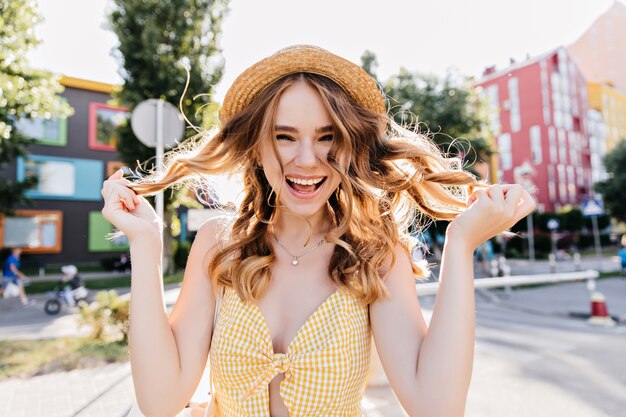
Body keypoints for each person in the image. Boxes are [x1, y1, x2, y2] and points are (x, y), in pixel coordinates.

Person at [101, 45, 535, 417]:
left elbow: (436, 406)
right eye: (285, 137)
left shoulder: (376, 256)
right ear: (255, 145)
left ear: (352, 144)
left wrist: (460, 246)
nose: (307, 160)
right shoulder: (219, 244)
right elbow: (160, 401)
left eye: (327, 137)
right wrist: (145, 245)